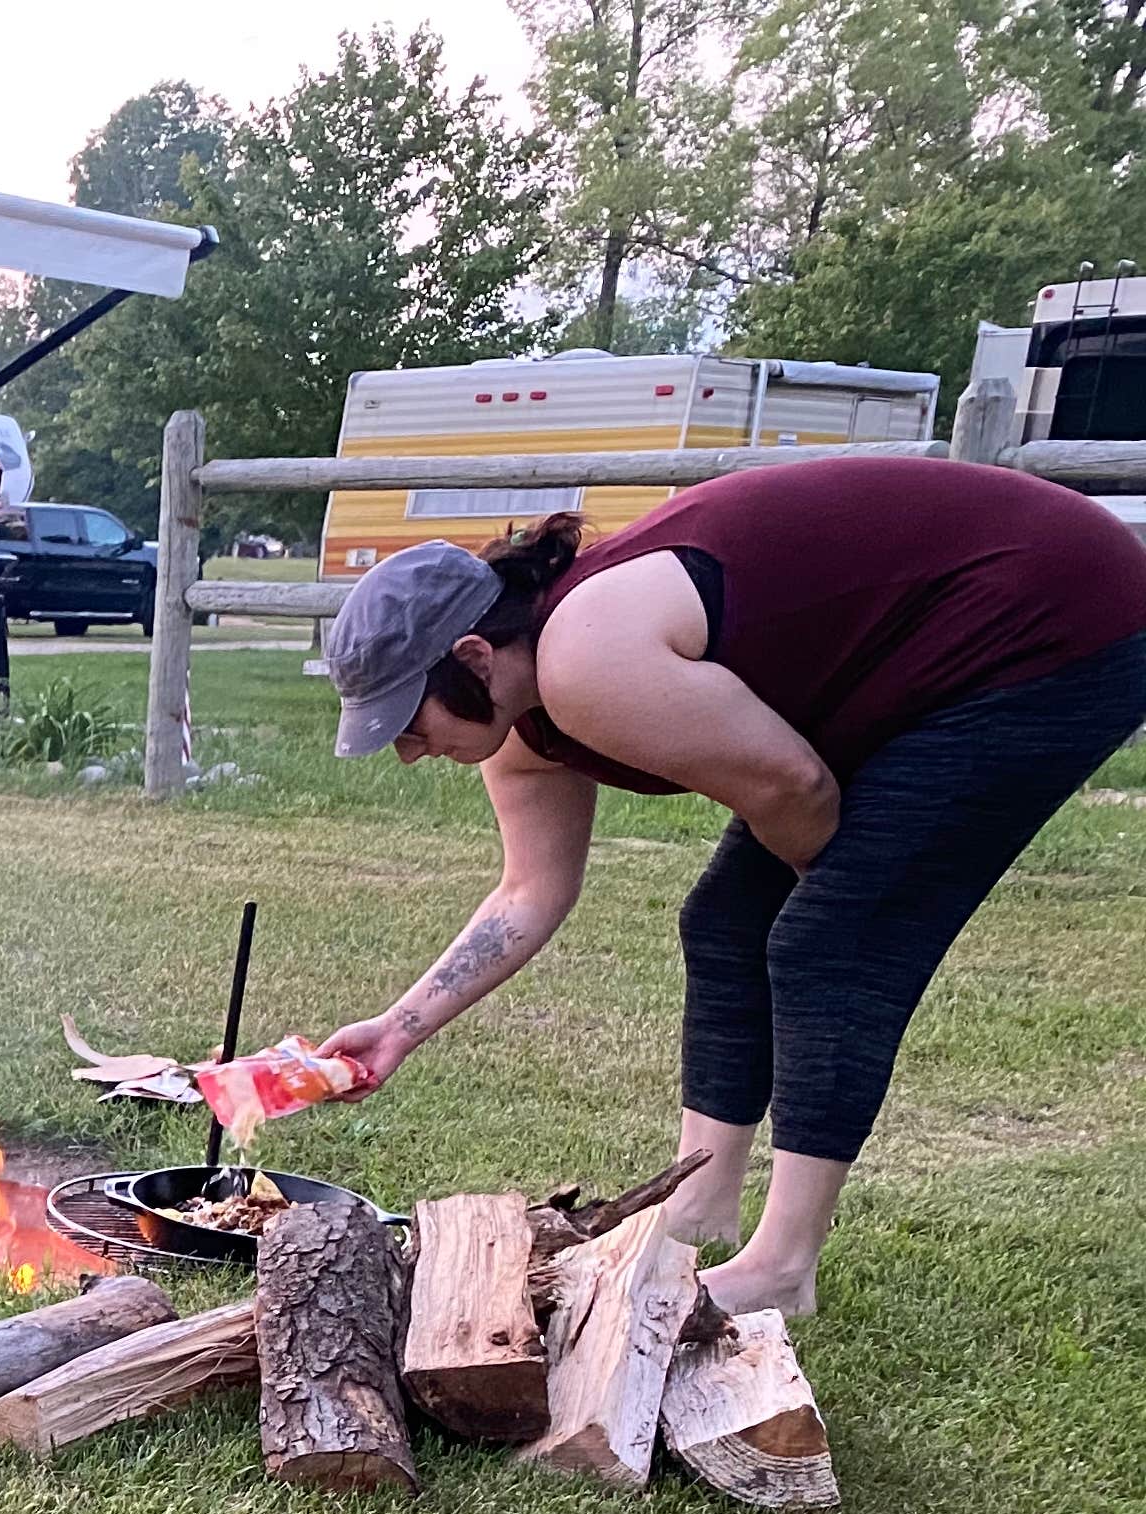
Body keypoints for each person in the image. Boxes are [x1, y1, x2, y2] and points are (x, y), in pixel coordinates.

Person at [314, 453, 1146, 1315]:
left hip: (1050, 611)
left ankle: (783, 1270)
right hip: (905, 660)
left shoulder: (586, 657)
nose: (409, 752)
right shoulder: (525, 731)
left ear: (475, 655)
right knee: (725, 924)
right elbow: (528, 893)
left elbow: (796, 790)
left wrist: (839, 901)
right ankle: (699, 1208)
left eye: (411, 722)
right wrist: (398, 1029)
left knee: (828, 940)